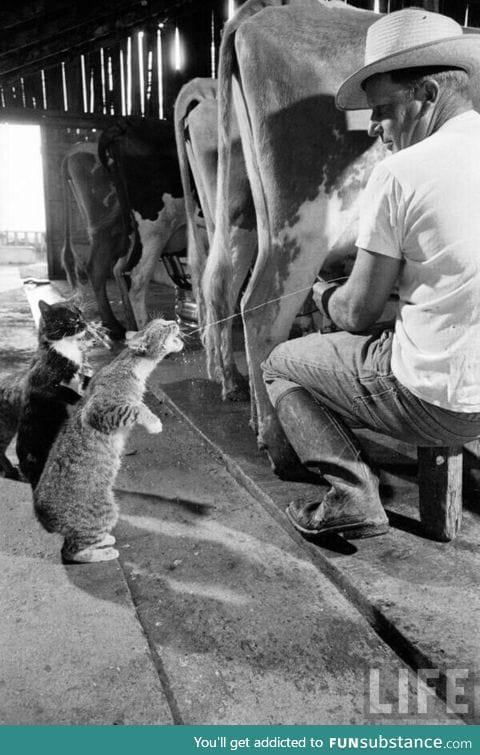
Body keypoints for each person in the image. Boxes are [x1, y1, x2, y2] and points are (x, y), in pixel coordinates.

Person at [261, 8, 480, 539]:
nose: (374, 128)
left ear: (426, 93)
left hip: (445, 402)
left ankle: (352, 493)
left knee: (282, 363)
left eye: (382, 110)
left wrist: (321, 294)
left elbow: (358, 314)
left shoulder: (401, 171)